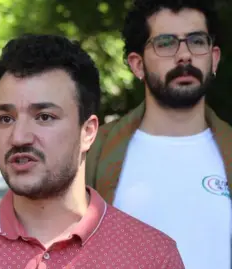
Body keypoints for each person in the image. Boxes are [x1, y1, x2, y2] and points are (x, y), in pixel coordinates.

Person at [0, 34, 185, 268]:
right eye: (6, 118)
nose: (19, 137)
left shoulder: (152, 257)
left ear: (88, 132)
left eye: (44, 117)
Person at [85, 0, 231, 268]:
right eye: (166, 43)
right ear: (137, 65)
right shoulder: (93, 152)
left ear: (215, 58)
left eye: (197, 41)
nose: (184, 56)